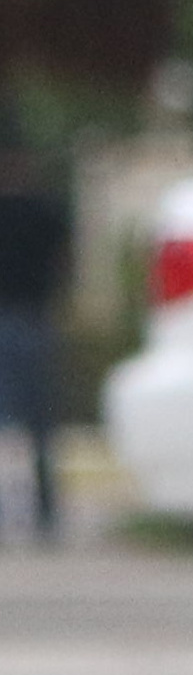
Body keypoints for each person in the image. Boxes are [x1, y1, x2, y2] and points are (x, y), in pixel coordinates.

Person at [0, 140, 70, 542]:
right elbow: (62, 261)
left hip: (11, 316)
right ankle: (46, 512)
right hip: (36, 317)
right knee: (41, 424)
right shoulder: (45, 210)